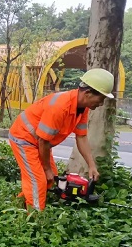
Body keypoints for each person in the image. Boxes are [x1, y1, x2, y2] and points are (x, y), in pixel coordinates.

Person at [8, 68, 115, 211]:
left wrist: (91, 165)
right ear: (88, 93)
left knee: (52, 178)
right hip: (24, 137)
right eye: (100, 99)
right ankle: (34, 219)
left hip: (40, 141)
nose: (101, 104)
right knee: (38, 180)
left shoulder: (83, 108)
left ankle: (22, 202)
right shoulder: (60, 107)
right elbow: (43, 141)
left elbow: (81, 136)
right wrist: (46, 169)